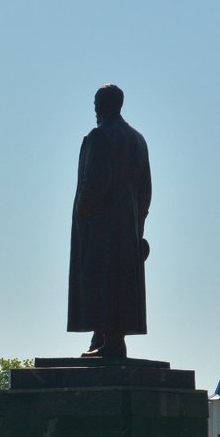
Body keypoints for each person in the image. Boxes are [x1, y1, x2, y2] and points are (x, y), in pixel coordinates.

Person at [68, 84, 152, 358]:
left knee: (101, 279)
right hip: (128, 222)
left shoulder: (100, 136)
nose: (95, 109)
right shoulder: (137, 139)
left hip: (101, 224)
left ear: (103, 105)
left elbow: (96, 181)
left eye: (96, 104)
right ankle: (103, 338)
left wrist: (82, 211)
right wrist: (138, 224)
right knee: (121, 282)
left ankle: (110, 342)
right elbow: (146, 188)